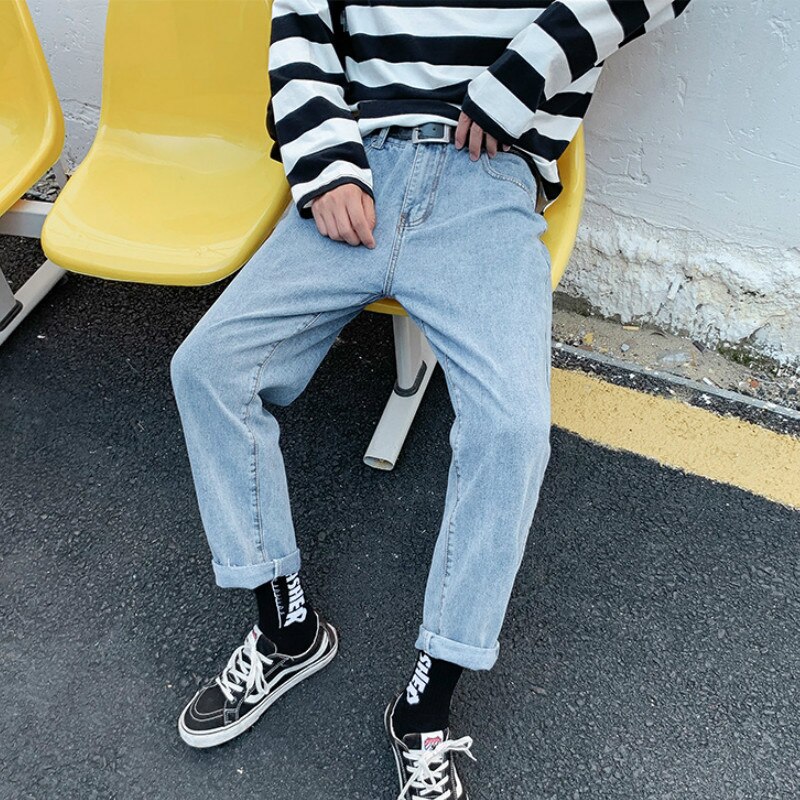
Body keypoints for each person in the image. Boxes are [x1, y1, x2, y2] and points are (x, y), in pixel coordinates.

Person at [171, 1, 691, 797]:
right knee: (209, 368)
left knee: (512, 431)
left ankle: (426, 705)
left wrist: (524, 72)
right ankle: (286, 627)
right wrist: (325, 166)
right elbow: (300, 30)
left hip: (490, 179)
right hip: (360, 165)